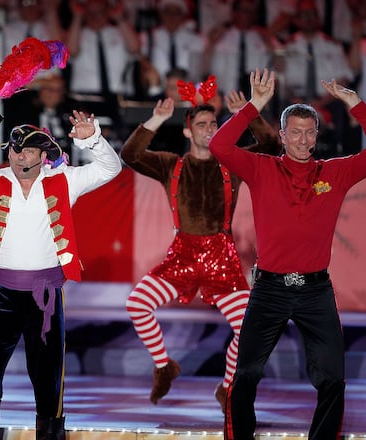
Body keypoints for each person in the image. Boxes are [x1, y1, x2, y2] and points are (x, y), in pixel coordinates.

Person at [209, 71, 366, 440]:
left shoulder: (335, 173)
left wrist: (355, 104)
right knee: (244, 375)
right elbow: (219, 146)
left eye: (309, 132)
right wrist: (254, 105)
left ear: (316, 136)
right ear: (281, 136)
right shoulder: (262, 169)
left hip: (315, 293)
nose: (303, 139)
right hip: (269, 291)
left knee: (332, 380)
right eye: (295, 132)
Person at [0, 110, 121, 440]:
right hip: (1, 295)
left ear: (43, 156)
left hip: (45, 297)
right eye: (15, 150)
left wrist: (93, 139)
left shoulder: (65, 180)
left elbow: (110, 168)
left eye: (29, 151)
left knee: (48, 380)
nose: (20, 157)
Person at [121, 69, 281, 411]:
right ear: (187, 129)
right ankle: (165, 366)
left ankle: (227, 387)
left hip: (221, 257)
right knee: (137, 303)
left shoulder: (233, 163)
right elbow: (131, 155)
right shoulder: (170, 165)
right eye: (202, 125)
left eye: (214, 125)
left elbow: (270, 145)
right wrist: (155, 119)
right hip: (182, 255)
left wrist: (247, 113)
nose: (209, 130)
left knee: (248, 328)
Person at [281, 0, 356, 157]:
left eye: (312, 14)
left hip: (327, 101)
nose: (308, 19)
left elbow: (344, 79)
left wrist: (321, 102)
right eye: (304, 15)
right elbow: (280, 79)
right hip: (294, 101)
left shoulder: (333, 46)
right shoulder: (287, 46)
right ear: (297, 19)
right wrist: (294, 99)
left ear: (318, 18)